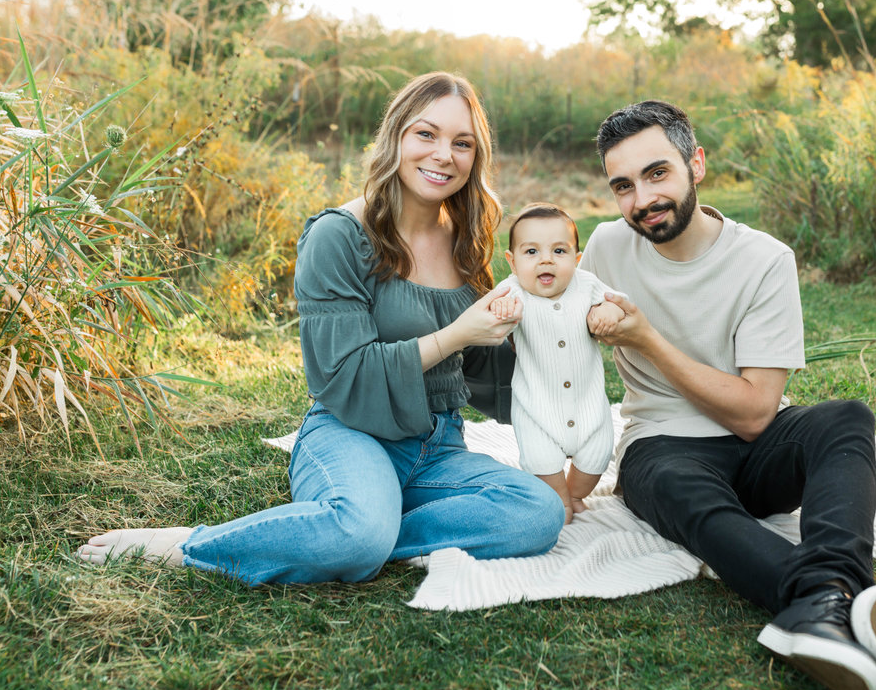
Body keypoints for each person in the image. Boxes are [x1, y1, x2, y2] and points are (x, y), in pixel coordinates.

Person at [77, 72, 565, 584]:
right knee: (358, 532)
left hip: (439, 446)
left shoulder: (465, 238)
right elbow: (342, 376)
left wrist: (555, 332)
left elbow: (482, 374)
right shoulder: (338, 236)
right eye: (426, 134)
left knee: (537, 513)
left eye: (462, 143)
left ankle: (360, 532)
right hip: (352, 434)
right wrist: (457, 333)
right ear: (395, 137)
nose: (444, 154)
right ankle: (195, 543)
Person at [581, 100, 876, 690]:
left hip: (758, 442)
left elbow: (757, 413)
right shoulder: (606, 248)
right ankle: (829, 601)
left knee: (845, 419)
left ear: (696, 164)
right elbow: (543, 307)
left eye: (657, 174)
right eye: (623, 185)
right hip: (661, 446)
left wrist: (646, 339)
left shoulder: (764, 260)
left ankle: (816, 608)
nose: (642, 199)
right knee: (682, 491)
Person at [489, 202, 625, 524]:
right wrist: (501, 313)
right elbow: (490, 317)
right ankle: (560, 499)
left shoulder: (588, 285)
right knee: (541, 460)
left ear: (576, 260)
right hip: (537, 407)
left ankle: (576, 493)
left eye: (559, 251)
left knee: (596, 457)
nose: (546, 259)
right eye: (532, 252)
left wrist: (609, 312)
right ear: (512, 261)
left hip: (588, 405)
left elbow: (620, 305)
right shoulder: (511, 291)